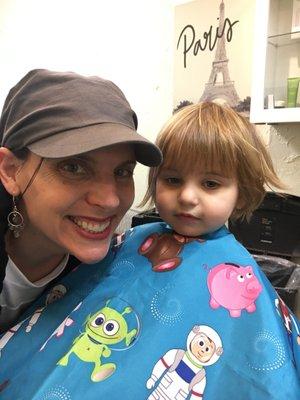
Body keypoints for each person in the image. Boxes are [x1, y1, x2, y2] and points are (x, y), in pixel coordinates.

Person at [0, 102, 299, 399]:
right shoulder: (130, 242)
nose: (187, 196)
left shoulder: (239, 272)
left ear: (241, 192)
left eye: (210, 184)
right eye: (172, 179)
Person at [0, 68, 162, 332]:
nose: (109, 200)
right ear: (10, 171)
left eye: (122, 171)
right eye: (73, 167)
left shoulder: (112, 267)